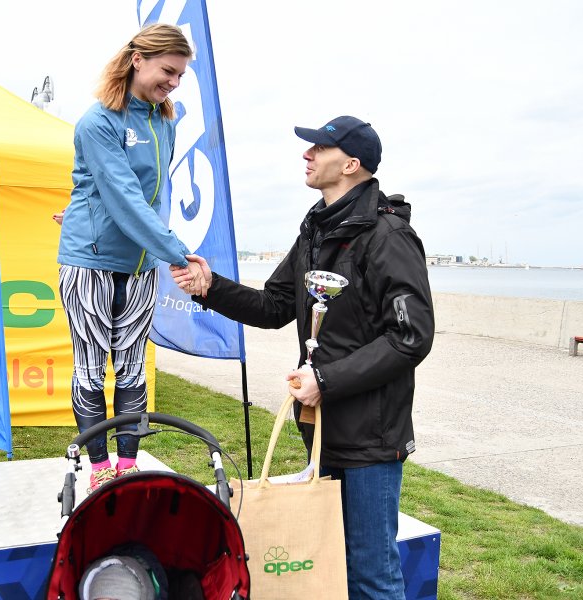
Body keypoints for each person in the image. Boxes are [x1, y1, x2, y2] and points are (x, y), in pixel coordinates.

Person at [172, 116, 434, 600]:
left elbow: (411, 336)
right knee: (334, 561)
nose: (307, 154)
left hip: (371, 439)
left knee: (371, 573)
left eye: (320, 146)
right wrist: (210, 288)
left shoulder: (388, 236)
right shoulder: (316, 229)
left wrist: (327, 380)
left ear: (352, 164)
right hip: (321, 429)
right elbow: (274, 306)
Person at [57, 23, 208, 494]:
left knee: (132, 367)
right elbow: (122, 198)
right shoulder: (98, 121)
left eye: (181, 75)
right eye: (168, 71)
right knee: (89, 365)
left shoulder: (164, 120)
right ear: (137, 58)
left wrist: (162, 249)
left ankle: (127, 466)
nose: (174, 83)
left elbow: (152, 198)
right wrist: (179, 254)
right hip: (91, 263)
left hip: (140, 266)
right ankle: (99, 469)